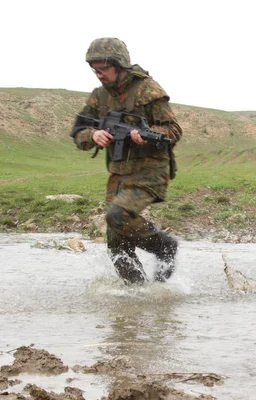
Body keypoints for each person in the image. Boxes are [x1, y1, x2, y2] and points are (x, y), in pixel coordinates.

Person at [70, 38, 183, 285]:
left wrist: (147, 135)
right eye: (94, 70)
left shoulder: (148, 90)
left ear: (119, 65)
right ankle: (137, 295)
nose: (98, 75)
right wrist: (93, 134)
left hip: (150, 170)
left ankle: (164, 246)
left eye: (103, 69)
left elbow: (173, 129)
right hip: (119, 173)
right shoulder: (99, 96)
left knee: (117, 215)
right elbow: (78, 132)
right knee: (116, 242)